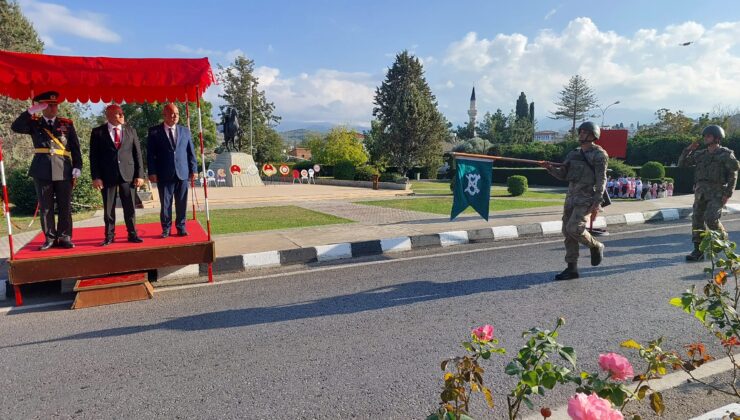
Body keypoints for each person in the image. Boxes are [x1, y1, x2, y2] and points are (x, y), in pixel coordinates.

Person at [10, 91, 82, 250]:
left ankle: (64, 237)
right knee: (46, 207)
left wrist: (78, 166)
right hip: (42, 169)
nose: (53, 108)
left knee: (65, 206)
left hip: (64, 168)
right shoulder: (34, 123)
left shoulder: (66, 124)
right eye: (49, 105)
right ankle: (49, 238)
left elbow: (75, 148)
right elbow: (15, 127)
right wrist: (30, 112)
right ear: (41, 106)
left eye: (55, 105)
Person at [539, 121, 608, 280]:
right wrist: (549, 168)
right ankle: (572, 268)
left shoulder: (599, 155)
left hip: (586, 198)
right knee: (567, 233)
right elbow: (563, 175)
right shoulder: (573, 154)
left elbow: (601, 179)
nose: (581, 134)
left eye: (585, 132)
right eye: (580, 131)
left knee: (574, 228)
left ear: (593, 135)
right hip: (571, 198)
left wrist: (597, 202)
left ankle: (596, 245)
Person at [678, 125, 739, 261]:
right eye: (705, 136)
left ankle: (723, 242)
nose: (705, 138)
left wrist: (727, 194)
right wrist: (688, 150)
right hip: (701, 192)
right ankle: (698, 250)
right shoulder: (700, 154)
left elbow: (733, 174)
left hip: (717, 192)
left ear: (717, 138)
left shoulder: (726, 154)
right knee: (697, 220)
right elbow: (682, 164)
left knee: (711, 218)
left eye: (708, 136)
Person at [89, 104, 145, 246]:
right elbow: (93, 157)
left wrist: (140, 175)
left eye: (122, 113)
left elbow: (137, 154)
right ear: (108, 115)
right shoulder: (97, 132)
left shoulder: (131, 131)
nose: (122, 116)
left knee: (130, 207)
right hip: (107, 176)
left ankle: (132, 234)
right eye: (118, 113)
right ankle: (109, 236)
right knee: (108, 209)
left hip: (128, 175)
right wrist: (96, 177)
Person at [147, 103, 198, 237]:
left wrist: (194, 169)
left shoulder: (185, 131)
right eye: (172, 113)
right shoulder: (154, 132)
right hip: (164, 173)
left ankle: (181, 227)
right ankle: (166, 229)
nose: (175, 116)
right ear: (164, 115)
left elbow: (190, 152)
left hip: (182, 172)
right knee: (166, 203)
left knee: (181, 203)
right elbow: (150, 154)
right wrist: (152, 172)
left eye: (177, 113)